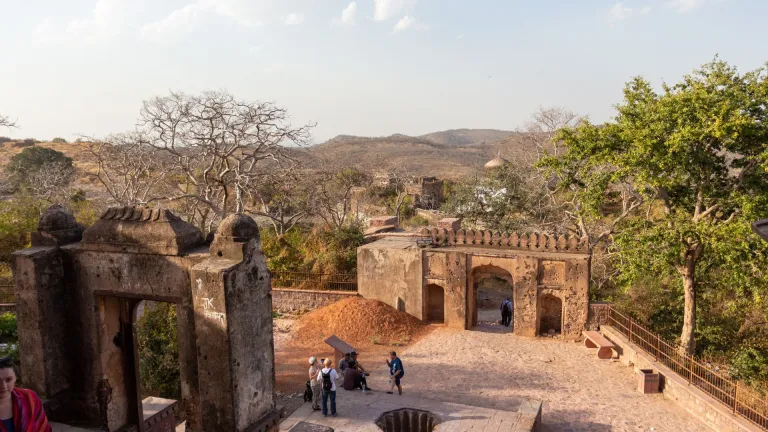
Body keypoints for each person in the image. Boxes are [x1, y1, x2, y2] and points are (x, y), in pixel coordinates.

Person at [0, 357, 51, 432]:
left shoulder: (29, 397)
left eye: (8, 380)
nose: (3, 386)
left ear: (15, 378)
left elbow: (43, 428)